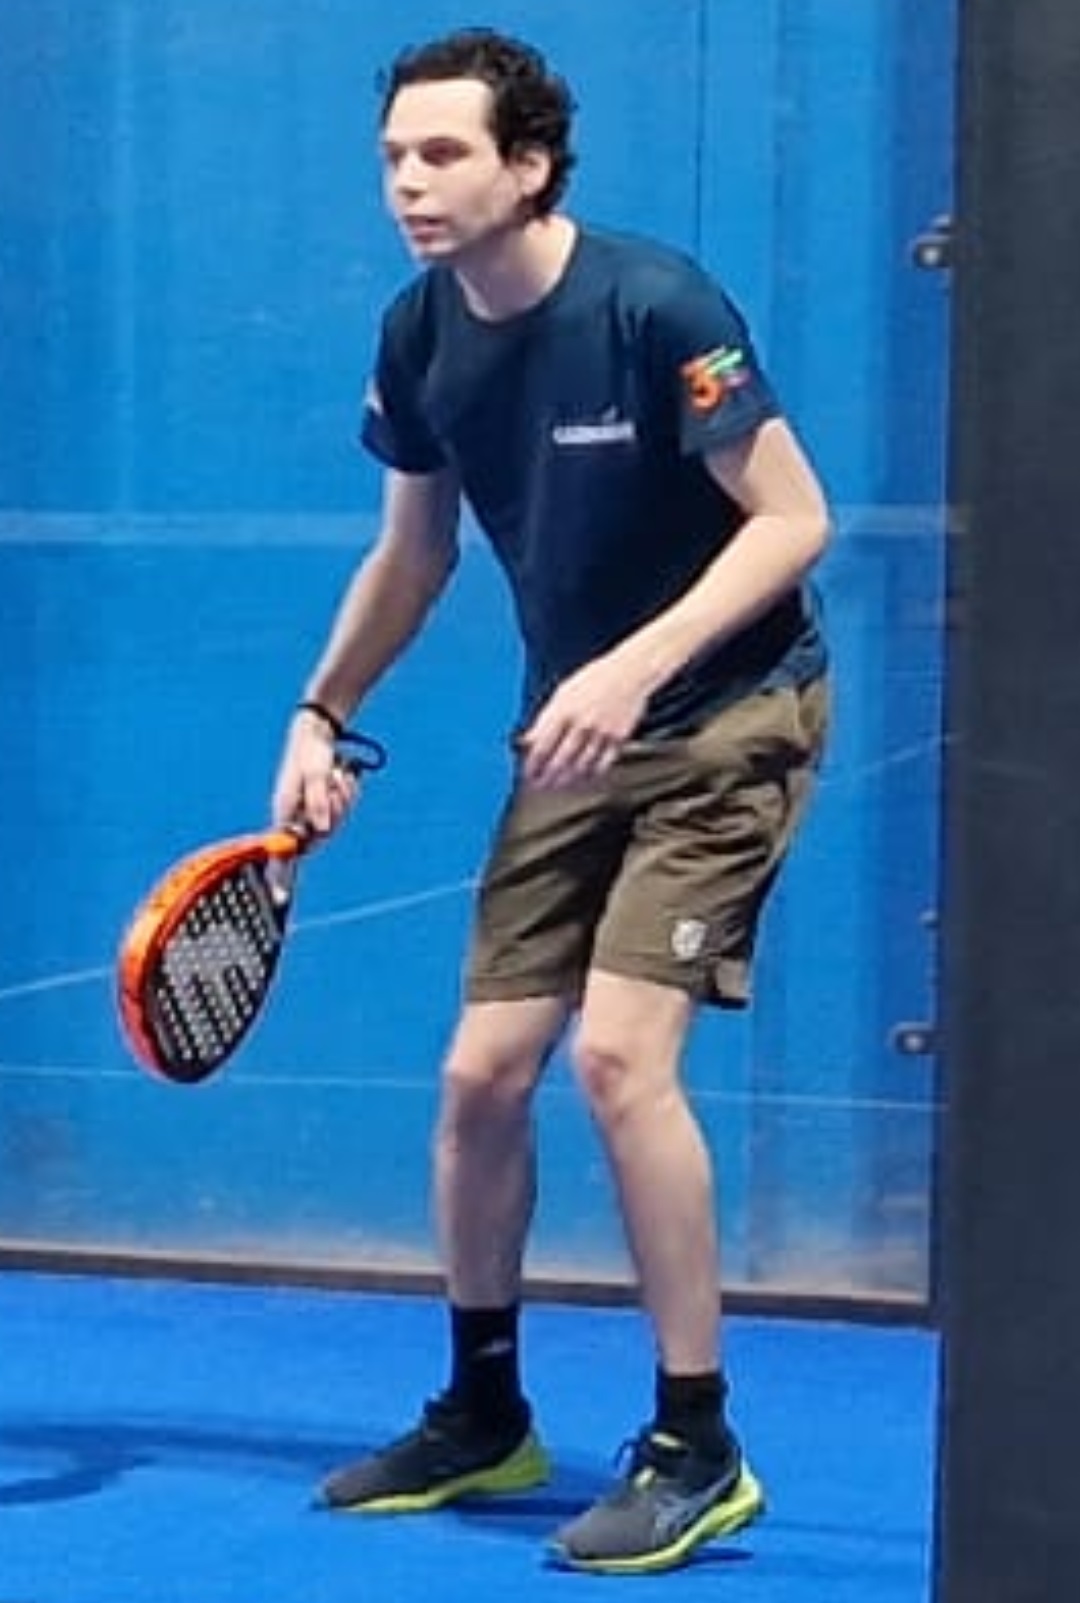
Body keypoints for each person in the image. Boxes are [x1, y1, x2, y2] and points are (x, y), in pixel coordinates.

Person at [272, 26, 830, 1576]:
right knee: (480, 1078)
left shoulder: (659, 307)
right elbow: (415, 553)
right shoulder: (420, 332)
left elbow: (794, 520)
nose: (409, 181)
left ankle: (699, 1444)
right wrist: (322, 714)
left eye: (443, 153)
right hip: (571, 738)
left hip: (729, 717)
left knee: (621, 1063)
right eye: (395, 156)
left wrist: (633, 668)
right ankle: (484, 1413)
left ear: (528, 165)